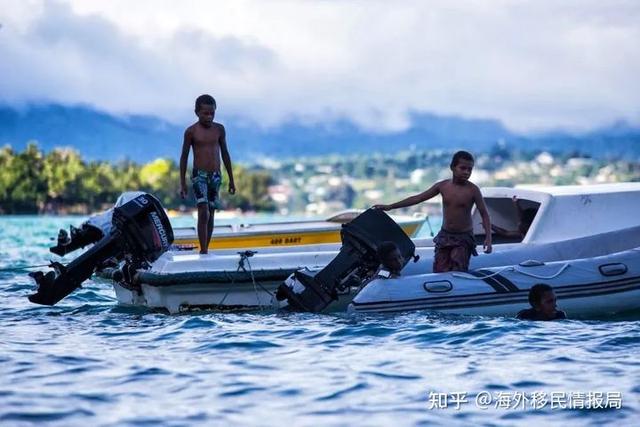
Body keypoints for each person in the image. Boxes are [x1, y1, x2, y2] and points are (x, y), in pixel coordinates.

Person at [374, 150, 492, 272]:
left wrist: (488, 239)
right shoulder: (442, 186)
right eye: (463, 168)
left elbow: (484, 214)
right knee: (439, 269)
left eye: (469, 169)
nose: (466, 172)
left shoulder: (473, 190)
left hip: (463, 237)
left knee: (458, 268)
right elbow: (418, 198)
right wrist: (390, 206)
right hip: (445, 235)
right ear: (452, 167)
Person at [180, 94, 236, 254]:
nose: (209, 116)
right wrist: (182, 183)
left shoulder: (219, 129)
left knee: (211, 212)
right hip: (200, 176)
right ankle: (203, 250)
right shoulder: (191, 132)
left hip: (216, 176)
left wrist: (232, 180)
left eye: (212, 113)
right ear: (197, 112)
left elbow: (225, 154)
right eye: (205, 113)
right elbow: (184, 157)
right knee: (203, 209)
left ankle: (207, 248)